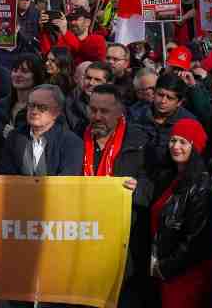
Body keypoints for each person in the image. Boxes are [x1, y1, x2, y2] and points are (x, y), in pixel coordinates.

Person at [82, 84, 154, 307]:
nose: (97, 117)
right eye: (93, 110)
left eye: (104, 111)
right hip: (85, 235)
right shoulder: (76, 137)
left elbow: (153, 185)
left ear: (120, 111)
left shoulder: (140, 141)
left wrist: (137, 189)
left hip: (124, 240)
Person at [150, 119, 212, 308]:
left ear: (195, 147)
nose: (175, 146)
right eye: (173, 140)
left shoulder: (201, 187)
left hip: (183, 275)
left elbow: (196, 240)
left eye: (183, 142)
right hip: (163, 270)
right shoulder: (169, 178)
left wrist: (165, 268)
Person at [0, 84, 83, 176]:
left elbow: (67, 180)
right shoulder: (14, 137)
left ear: (56, 112)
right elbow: (6, 175)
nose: (34, 111)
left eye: (42, 107)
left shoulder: (71, 142)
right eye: (31, 105)